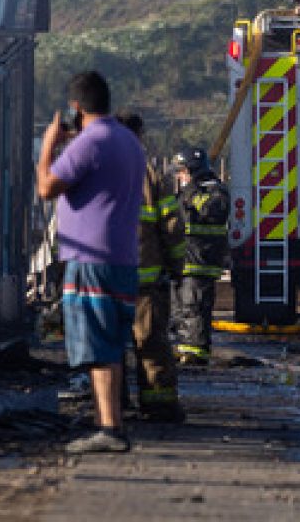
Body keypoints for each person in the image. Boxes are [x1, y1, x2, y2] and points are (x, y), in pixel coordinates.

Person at [38, 71, 145, 453]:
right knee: (113, 344)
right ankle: (111, 422)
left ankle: (109, 428)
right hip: (122, 257)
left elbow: (47, 187)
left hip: (91, 257)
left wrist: (49, 145)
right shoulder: (127, 140)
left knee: (98, 346)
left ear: (76, 107)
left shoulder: (90, 142)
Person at [116, 111, 186, 423]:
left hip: (106, 276)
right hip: (145, 278)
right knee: (151, 344)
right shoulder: (150, 175)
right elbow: (172, 226)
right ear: (139, 136)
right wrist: (176, 264)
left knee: (110, 345)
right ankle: (159, 405)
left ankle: (112, 406)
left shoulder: (98, 170)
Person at [173, 147, 230, 366]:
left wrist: (191, 194)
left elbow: (212, 209)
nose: (180, 177)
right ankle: (185, 347)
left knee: (194, 306)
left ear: (192, 170)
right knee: (182, 308)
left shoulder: (213, 189)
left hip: (201, 260)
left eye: (182, 172)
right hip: (184, 259)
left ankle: (196, 353)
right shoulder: (188, 191)